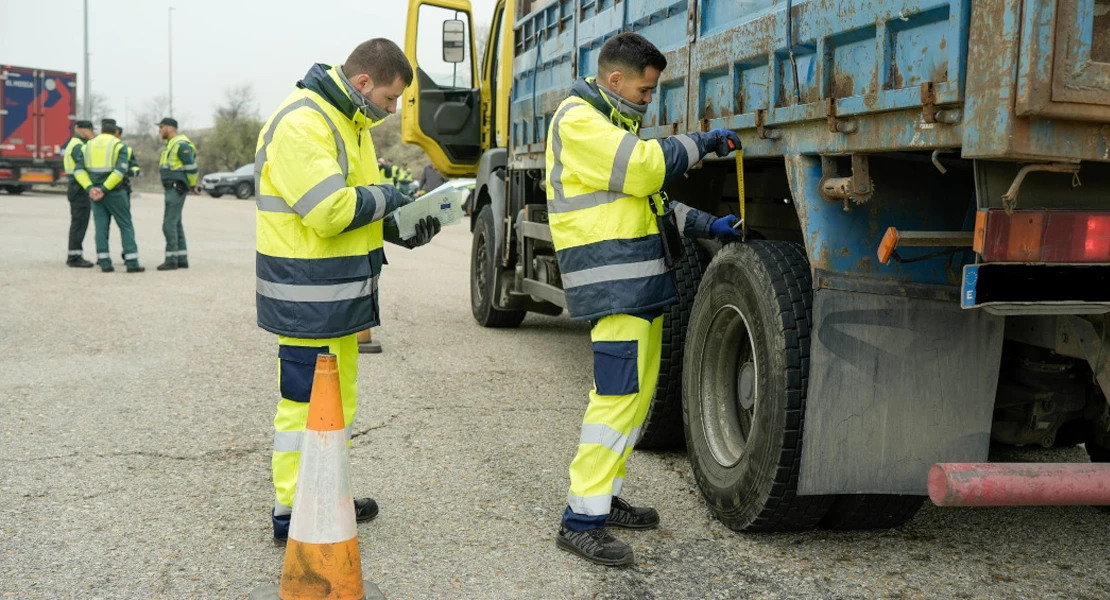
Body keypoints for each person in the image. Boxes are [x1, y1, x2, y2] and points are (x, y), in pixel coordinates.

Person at [546, 32, 742, 566]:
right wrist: (701, 143)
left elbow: (653, 202)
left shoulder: (611, 124)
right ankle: (580, 520)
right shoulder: (578, 120)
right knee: (615, 400)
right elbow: (646, 169)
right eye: (646, 89)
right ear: (615, 80)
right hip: (613, 284)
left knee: (635, 397)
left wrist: (707, 224)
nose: (648, 98)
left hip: (636, 281)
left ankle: (602, 498)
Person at [255, 38, 442, 544]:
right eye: (388, 100)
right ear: (363, 83)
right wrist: (387, 196)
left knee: (337, 405)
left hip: (337, 293)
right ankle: (292, 510)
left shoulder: (348, 122)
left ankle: (325, 493)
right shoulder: (304, 121)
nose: (392, 111)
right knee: (302, 407)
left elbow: (357, 210)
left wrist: (402, 225)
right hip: (306, 295)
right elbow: (328, 210)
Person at [78, 118, 145, 273]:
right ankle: (132, 263)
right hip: (115, 192)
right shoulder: (118, 145)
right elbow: (119, 171)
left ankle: (104, 263)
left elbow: (78, 171)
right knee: (125, 226)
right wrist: (104, 189)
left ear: (101, 131)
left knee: (101, 228)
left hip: (95, 194)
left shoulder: (88, 146)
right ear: (116, 132)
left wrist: (91, 188)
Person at [156, 117, 198, 270]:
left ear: (170, 128)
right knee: (176, 223)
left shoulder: (181, 145)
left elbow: (192, 168)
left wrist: (192, 185)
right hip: (172, 188)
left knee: (169, 224)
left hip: (176, 188)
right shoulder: (171, 145)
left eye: (161, 127)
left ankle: (171, 259)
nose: (159, 130)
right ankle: (181, 259)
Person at [62, 119, 96, 268]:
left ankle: (74, 254)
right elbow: (85, 166)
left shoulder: (75, 144)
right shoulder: (78, 147)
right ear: (85, 131)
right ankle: (74, 257)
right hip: (79, 187)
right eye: (92, 131)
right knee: (79, 222)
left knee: (79, 222)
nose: (93, 134)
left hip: (76, 187)